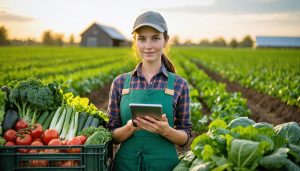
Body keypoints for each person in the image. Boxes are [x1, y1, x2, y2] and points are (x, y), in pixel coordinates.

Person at [107, 11, 192, 171]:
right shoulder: (120, 83)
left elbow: (185, 137)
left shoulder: (179, 84)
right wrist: (130, 127)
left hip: (165, 166)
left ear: (165, 41)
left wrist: (166, 131)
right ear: (135, 42)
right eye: (142, 39)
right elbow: (112, 134)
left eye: (155, 38)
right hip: (126, 165)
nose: (148, 46)